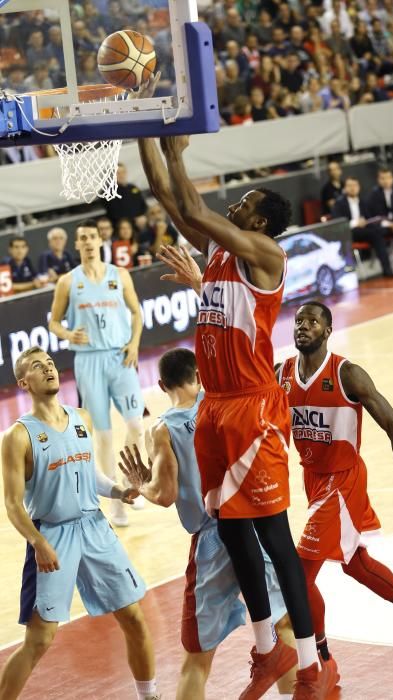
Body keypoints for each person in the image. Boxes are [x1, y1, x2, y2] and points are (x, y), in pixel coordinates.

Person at [138, 119, 338, 698]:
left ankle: (308, 663)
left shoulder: (265, 254)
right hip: (215, 410)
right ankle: (266, 649)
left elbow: (196, 209)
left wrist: (179, 152)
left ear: (258, 221)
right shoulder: (220, 255)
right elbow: (169, 199)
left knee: (275, 537)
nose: (236, 202)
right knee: (233, 533)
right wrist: (146, 133)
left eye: (245, 201)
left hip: (253, 412)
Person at [277, 301, 393, 666]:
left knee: (298, 576)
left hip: (343, 482)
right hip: (313, 480)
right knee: (356, 565)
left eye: (313, 321)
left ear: (327, 331)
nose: (303, 326)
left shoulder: (347, 374)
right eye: (298, 321)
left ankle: (321, 658)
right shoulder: (282, 373)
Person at [119, 348, 296, 700]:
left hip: (214, 539)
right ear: (199, 374)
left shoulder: (163, 429)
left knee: (197, 657)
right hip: (254, 522)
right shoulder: (224, 403)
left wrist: (143, 485)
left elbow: (165, 493)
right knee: (282, 624)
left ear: (161, 384)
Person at [0, 346, 160, 700]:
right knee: (40, 639)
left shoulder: (81, 418)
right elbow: (12, 505)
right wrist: (39, 543)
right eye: (38, 367)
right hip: (53, 534)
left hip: (94, 527)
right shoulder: (17, 436)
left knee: (133, 618)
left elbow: (92, 475)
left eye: (51, 364)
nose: (48, 369)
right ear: (24, 382)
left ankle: (150, 695)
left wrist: (120, 492)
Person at [48, 219, 145, 528]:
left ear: (100, 239)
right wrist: (66, 334)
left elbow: (137, 312)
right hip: (88, 362)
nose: (88, 242)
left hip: (121, 357)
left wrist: (134, 344)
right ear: (76, 245)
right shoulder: (68, 281)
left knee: (136, 427)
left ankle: (137, 480)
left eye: (91, 236)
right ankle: (117, 506)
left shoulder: (120, 275)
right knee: (102, 437)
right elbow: (54, 322)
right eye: (82, 238)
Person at [331, 176, 393, 278]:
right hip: (348, 233)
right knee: (375, 234)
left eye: (355, 185)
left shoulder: (363, 201)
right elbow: (337, 223)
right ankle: (386, 268)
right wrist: (355, 222)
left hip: (365, 231)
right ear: (345, 188)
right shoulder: (339, 203)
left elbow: (370, 218)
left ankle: (387, 269)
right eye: (350, 186)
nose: (353, 188)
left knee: (378, 232)